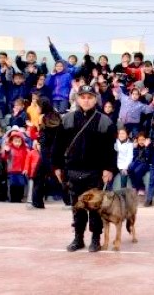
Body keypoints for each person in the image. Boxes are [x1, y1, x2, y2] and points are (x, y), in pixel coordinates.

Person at [53, 85, 118, 253]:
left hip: (95, 172)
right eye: (83, 97)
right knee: (77, 207)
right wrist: (57, 166)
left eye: (90, 97)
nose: (86, 100)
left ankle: (95, 239)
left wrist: (109, 168)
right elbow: (58, 145)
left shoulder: (105, 121)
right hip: (72, 170)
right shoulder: (67, 119)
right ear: (77, 99)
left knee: (95, 208)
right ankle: (78, 238)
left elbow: (111, 149)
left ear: (95, 99)